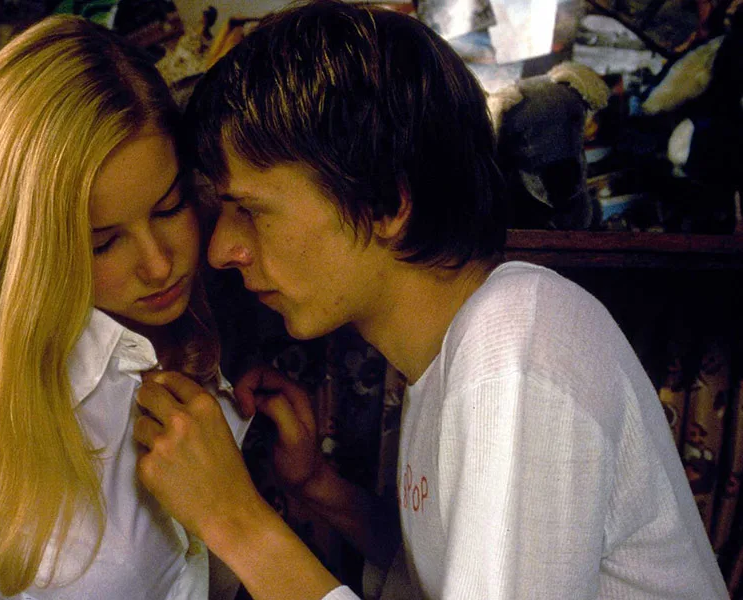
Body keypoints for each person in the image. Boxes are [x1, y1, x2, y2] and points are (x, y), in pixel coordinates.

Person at [132, 1, 729, 599]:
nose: (222, 250)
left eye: (250, 210)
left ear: (386, 205)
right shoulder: (455, 355)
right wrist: (318, 486)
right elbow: (447, 575)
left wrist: (234, 521)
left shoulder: (515, 351)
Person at [0, 15, 248, 599]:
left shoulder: (215, 356)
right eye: (103, 242)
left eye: (170, 208)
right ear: (27, 247)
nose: (159, 264)